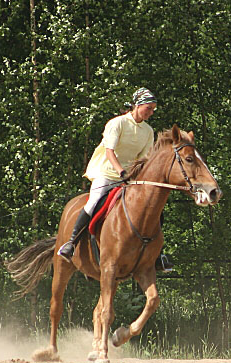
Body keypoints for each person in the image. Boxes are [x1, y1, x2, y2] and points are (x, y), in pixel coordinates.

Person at [57, 87, 173, 272]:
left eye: (153, 109)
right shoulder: (117, 123)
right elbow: (109, 151)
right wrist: (121, 172)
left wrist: (136, 177)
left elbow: (143, 159)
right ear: (137, 105)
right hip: (107, 172)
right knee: (94, 201)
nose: (151, 112)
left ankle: (158, 254)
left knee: (153, 208)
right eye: (148, 108)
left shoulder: (148, 131)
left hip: (129, 177)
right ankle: (71, 244)